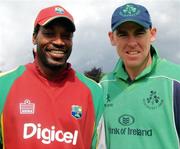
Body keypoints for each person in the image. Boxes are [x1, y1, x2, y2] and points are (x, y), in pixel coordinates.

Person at [0, 5, 105, 149]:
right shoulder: (4, 85)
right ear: (34, 37)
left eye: (66, 36)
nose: (59, 42)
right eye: (49, 33)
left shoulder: (94, 92)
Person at [100, 3, 180, 149]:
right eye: (123, 34)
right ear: (112, 38)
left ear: (152, 34)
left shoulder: (176, 80)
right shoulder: (104, 86)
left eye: (139, 33)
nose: (132, 43)